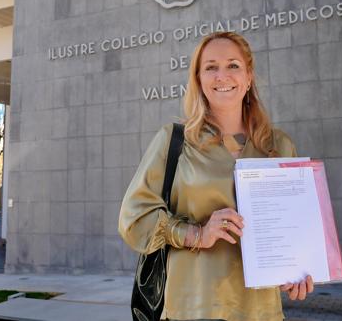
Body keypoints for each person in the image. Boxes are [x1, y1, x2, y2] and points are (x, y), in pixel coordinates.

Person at [119, 32, 314, 321]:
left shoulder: (279, 145)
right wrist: (196, 233)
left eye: (233, 65)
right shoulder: (174, 141)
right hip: (193, 305)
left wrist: (297, 271)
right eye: (211, 67)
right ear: (198, 80)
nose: (222, 75)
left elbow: (295, 229)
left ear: (248, 78)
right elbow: (134, 219)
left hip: (259, 310)